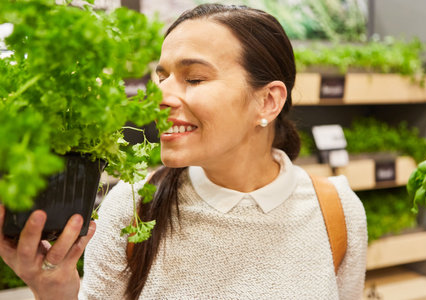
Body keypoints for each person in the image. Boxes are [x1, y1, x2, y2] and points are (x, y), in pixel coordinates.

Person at [0, 4, 369, 299]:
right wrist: (54, 291)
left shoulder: (336, 210)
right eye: (161, 77)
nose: (158, 97)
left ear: (268, 101)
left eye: (194, 78)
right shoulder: (129, 210)